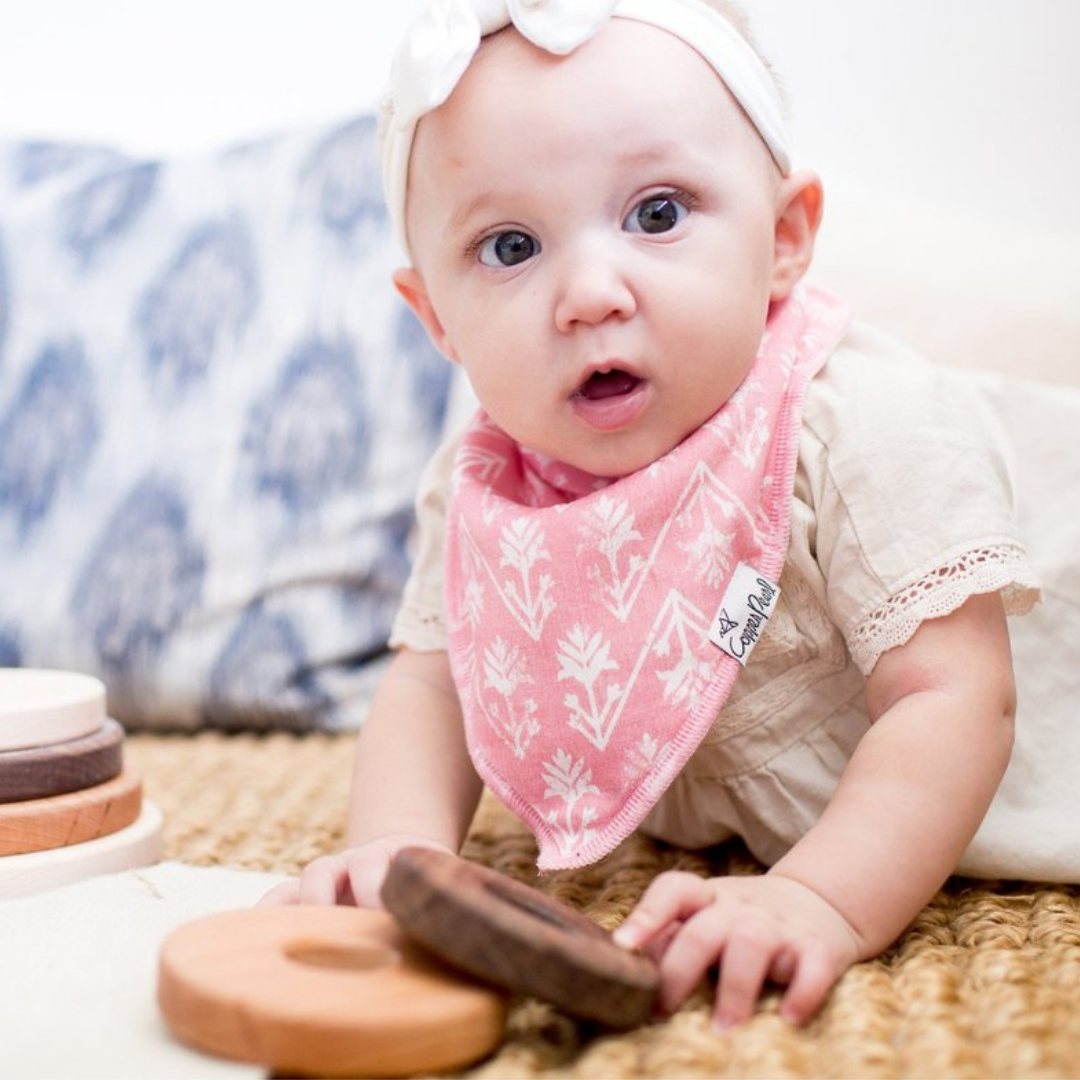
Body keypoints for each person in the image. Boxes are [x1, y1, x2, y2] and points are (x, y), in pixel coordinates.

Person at [263, 0, 1080, 1032]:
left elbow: (954, 697)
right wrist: (399, 851)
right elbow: (434, 679)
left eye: (656, 215)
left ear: (783, 239)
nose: (590, 292)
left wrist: (819, 898)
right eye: (510, 245)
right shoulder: (485, 486)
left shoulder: (861, 429)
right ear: (436, 320)